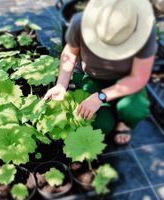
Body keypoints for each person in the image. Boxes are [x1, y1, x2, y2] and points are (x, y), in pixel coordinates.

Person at [44, 0, 157, 145]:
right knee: (102, 125)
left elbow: (139, 77)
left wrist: (101, 96)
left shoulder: (145, 30)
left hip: (126, 79)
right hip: (91, 76)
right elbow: (70, 53)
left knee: (135, 109)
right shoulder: (80, 22)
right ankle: (111, 113)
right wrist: (61, 84)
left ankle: (124, 123)